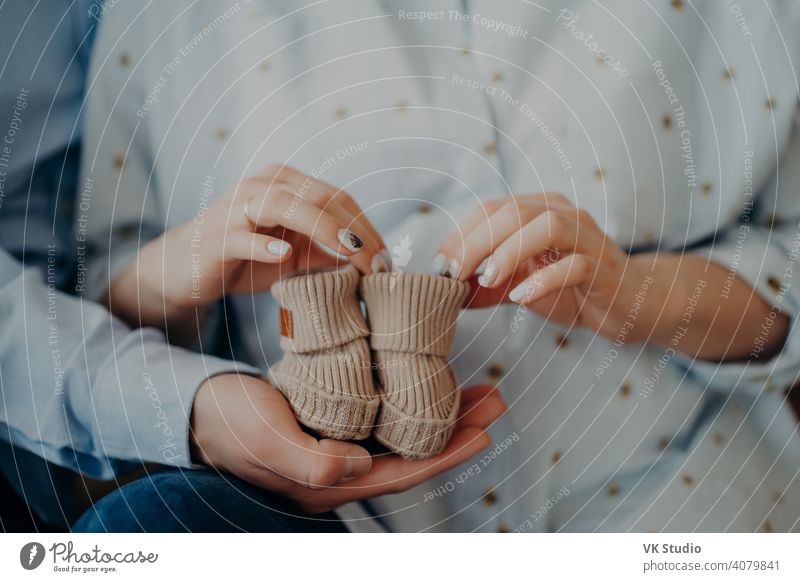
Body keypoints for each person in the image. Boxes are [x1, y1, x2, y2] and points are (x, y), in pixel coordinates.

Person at [78, 0, 800, 532]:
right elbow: (88, 310)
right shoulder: (165, 19)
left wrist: (646, 297)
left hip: (681, 494)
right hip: (326, 520)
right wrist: (177, 278)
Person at [0, 0, 503, 533]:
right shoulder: (160, 20)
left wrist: (606, 305)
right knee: (152, 524)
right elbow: (96, 269)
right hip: (335, 515)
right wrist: (170, 304)